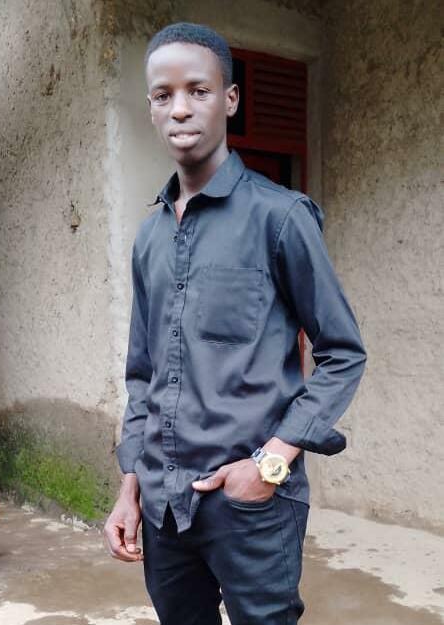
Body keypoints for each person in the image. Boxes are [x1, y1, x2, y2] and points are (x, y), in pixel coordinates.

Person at [104, 22, 367, 625]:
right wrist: (130, 486)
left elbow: (343, 352)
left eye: (198, 90)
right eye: (163, 94)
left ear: (230, 99)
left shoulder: (281, 217)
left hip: (252, 505)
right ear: (150, 107)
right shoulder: (149, 238)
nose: (180, 108)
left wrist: (269, 465)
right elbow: (143, 375)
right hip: (164, 509)